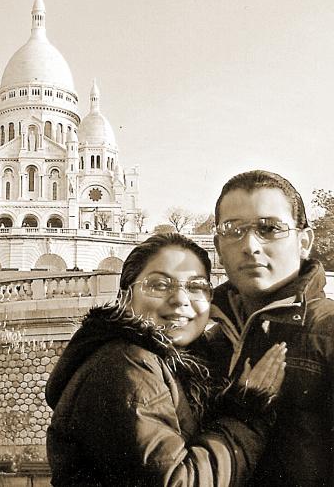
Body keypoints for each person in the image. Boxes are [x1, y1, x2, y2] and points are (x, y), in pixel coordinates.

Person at [46, 233, 286, 487]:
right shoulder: (127, 364)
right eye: (160, 285)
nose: (181, 300)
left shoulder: (166, 362)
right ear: (126, 297)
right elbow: (177, 482)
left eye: (196, 287)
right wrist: (246, 413)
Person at [209, 170, 334, 486]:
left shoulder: (329, 333)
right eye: (233, 229)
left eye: (270, 228)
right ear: (218, 247)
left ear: (304, 242)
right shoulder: (203, 340)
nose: (250, 245)